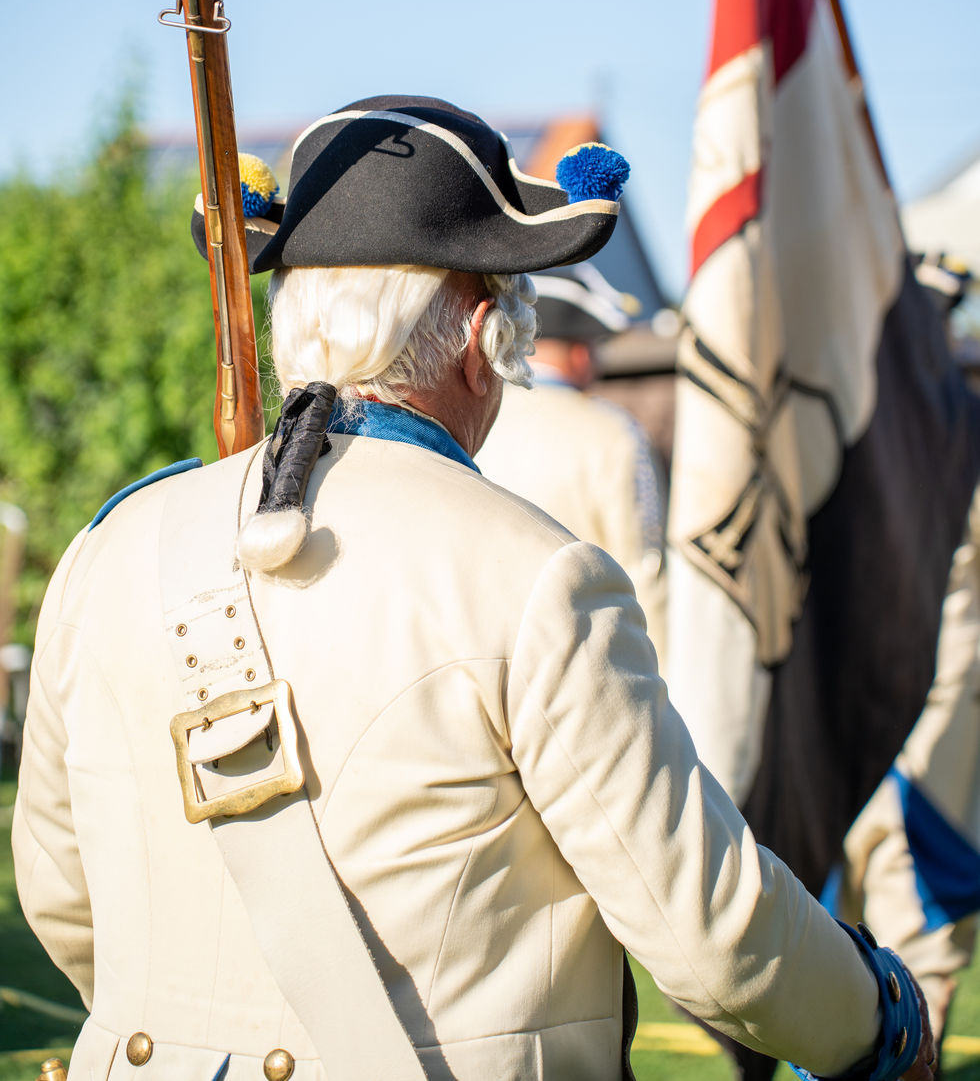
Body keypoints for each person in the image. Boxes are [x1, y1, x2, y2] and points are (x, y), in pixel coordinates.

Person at [14, 96, 935, 1081]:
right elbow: (709, 937)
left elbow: (66, 901)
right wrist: (881, 1018)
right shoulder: (539, 578)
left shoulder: (107, 548)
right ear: (482, 337)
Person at [832, 254, 980, 1073]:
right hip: (922, 726)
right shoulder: (958, 428)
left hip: (865, 724)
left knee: (836, 934)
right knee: (913, 942)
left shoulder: (831, 427)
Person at [477, 261, 668, 651]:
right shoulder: (613, 433)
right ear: (581, 353)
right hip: (595, 665)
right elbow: (646, 573)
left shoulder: (475, 427)